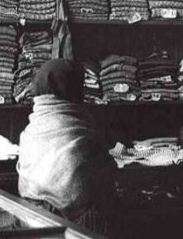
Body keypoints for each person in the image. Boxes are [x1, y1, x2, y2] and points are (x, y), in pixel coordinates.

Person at [17, 59, 114, 234]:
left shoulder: (30, 129)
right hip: (80, 225)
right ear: (71, 88)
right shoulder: (81, 130)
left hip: (34, 221)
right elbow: (105, 175)